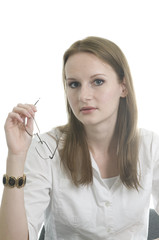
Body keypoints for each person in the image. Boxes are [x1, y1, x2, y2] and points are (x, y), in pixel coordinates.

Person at [0, 36, 159, 240]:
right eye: (74, 84)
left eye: (98, 82)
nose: (83, 96)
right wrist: (16, 156)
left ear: (123, 87)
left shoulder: (151, 145)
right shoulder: (48, 149)